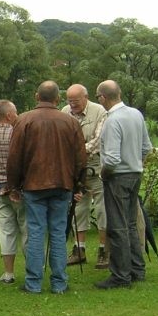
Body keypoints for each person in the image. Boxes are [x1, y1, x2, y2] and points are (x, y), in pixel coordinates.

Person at [6, 81, 86, 295]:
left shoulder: (24, 120)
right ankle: (59, 283)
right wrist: (79, 185)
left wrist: (13, 186)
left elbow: (14, 158)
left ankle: (33, 283)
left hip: (34, 185)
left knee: (36, 232)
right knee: (58, 233)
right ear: (58, 99)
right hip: (62, 184)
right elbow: (80, 158)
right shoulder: (70, 122)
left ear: (36, 96)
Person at [94, 80, 154, 289]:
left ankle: (120, 275)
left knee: (117, 226)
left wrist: (103, 175)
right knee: (130, 224)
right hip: (135, 174)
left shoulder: (112, 120)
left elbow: (111, 159)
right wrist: (135, 162)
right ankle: (137, 270)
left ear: (103, 97)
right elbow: (146, 148)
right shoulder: (136, 114)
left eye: (98, 97)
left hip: (117, 177)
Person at [62, 83, 108, 268]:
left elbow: (98, 141)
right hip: (74, 170)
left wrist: (75, 150)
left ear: (86, 98)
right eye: (70, 101)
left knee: (103, 210)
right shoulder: (65, 112)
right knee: (78, 209)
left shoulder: (99, 112)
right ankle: (78, 249)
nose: (72, 105)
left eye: (76, 101)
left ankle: (104, 250)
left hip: (96, 169)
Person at [0, 99, 26, 284]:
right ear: (9, 115)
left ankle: (8, 273)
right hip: (18, 188)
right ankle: (32, 271)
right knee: (26, 229)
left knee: (6, 230)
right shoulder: (17, 133)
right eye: (15, 112)